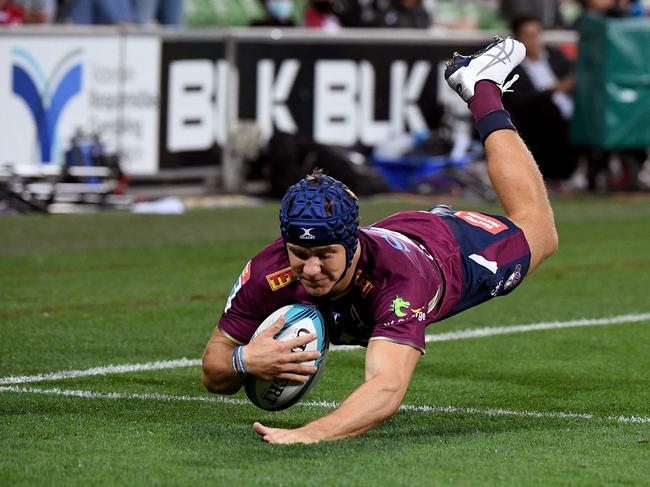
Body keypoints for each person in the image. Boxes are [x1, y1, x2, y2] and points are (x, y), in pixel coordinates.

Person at [201, 37, 559, 444]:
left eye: (325, 255)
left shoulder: (399, 283)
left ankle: (482, 89)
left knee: (540, 231)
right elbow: (213, 370)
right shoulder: (270, 271)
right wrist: (244, 359)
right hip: (392, 236)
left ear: (353, 246)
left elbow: (386, 390)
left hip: (445, 254)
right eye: (300, 254)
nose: (311, 269)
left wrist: (308, 434)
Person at [504, 15, 578, 182]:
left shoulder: (554, 56)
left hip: (572, 111)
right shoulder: (513, 68)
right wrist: (553, 90)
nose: (534, 41)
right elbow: (521, 100)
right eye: (528, 36)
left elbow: (574, 77)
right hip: (540, 119)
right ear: (518, 38)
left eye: (536, 35)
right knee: (547, 110)